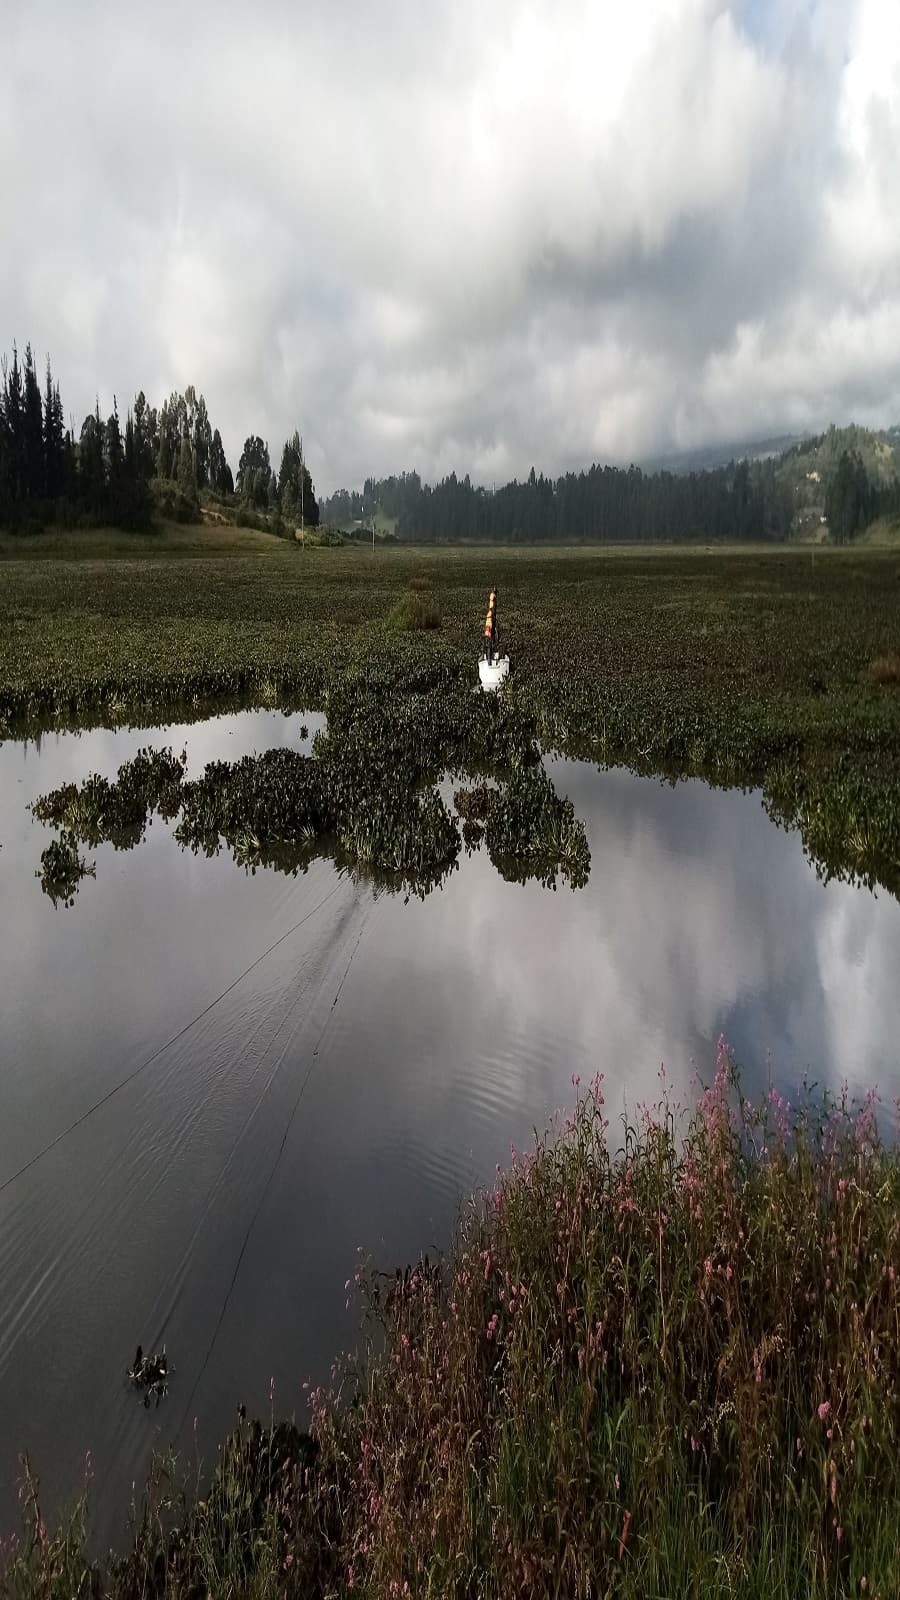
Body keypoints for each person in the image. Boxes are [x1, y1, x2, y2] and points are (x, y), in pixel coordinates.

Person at [483, 588, 497, 663]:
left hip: (488, 630)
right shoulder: (490, 614)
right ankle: (489, 659)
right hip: (488, 631)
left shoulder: (489, 615)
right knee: (489, 645)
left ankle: (488, 657)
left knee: (488, 644)